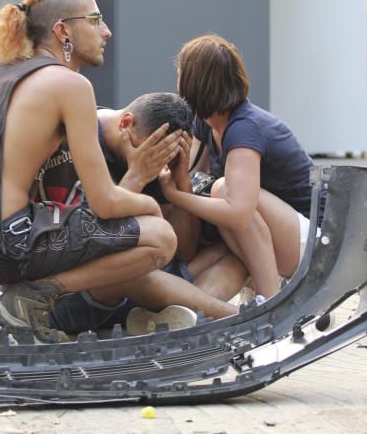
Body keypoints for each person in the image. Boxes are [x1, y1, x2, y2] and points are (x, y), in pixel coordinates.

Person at [0, 0, 181, 343]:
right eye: (95, 19)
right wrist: (151, 203)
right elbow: (105, 202)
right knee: (160, 237)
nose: (106, 31)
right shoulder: (70, 85)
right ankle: (25, 303)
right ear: (63, 31)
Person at [41, 93, 247, 335]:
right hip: (82, 293)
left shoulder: (153, 151)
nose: (158, 166)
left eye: (164, 161)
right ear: (126, 124)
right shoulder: (78, 137)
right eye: (155, 158)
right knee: (131, 268)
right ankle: (235, 318)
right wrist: (136, 176)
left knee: (236, 251)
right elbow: (84, 242)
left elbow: (184, 251)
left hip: (147, 284)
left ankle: (173, 317)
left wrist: (181, 183)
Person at [159, 34, 321, 300]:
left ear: (196, 80)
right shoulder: (207, 123)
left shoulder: (245, 128)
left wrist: (177, 196)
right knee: (218, 235)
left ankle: (271, 300)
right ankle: (185, 308)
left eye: (180, 72)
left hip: (312, 239)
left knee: (224, 192)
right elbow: (192, 181)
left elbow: (239, 212)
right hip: (269, 234)